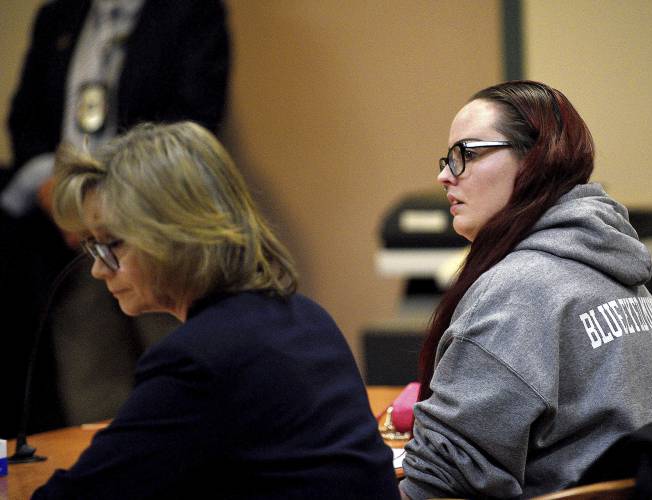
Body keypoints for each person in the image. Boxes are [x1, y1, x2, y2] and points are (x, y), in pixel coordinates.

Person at [32, 122, 399, 499]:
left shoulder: (198, 361)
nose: (98, 268)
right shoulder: (306, 317)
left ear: (177, 234)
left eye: (110, 244)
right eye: (92, 248)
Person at [399, 81, 652, 499]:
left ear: (535, 161)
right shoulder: (616, 269)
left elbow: (439, 486)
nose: (444, 175)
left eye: (466, 154)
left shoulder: (515, 290)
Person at [0, 0, 230, 437]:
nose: (101, 264)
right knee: (91, 384)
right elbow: (25, 120)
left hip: (154, 229)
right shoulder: (58, 16)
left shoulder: (190, 13)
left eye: (106, 249)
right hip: (59, 232)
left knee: (176, 378)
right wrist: (61, 194)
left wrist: (115, 199)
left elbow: (194, 121)